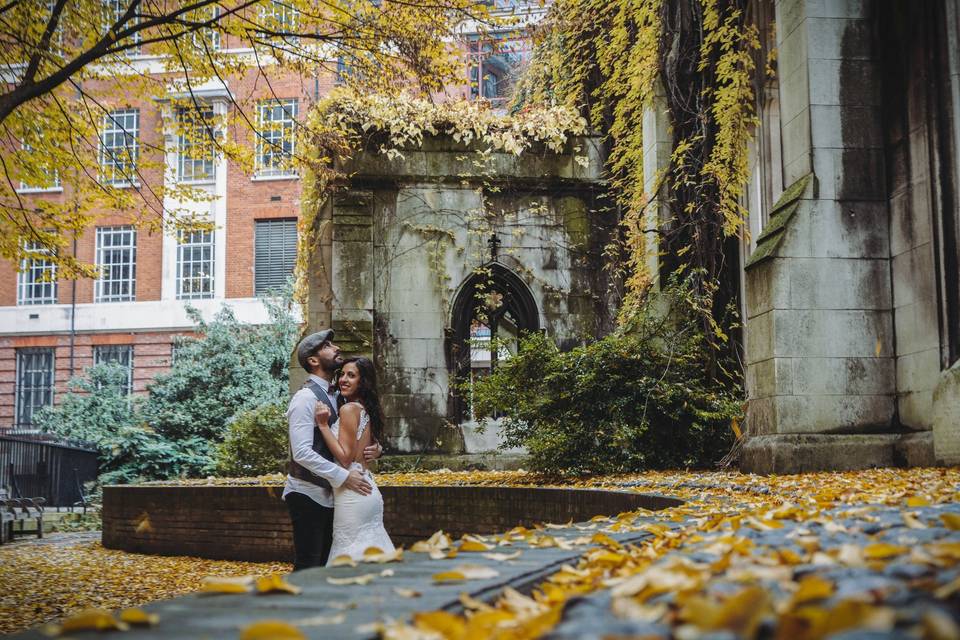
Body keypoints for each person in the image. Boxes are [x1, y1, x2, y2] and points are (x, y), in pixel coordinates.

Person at [283, 329, 382, 571]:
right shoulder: (304, 399)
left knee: (326, 565)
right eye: (327, 345)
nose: (336, 348)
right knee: (308, 566)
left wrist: (377, 448)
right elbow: (302, 453)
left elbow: (356, 429)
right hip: (307, 493)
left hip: (333, 496)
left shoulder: (340, 395)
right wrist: (345, 476)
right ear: (313, 360)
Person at [314, 356, 395, 563]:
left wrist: (323, 426)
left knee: (349, 557)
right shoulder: (364, 410)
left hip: (353, 494)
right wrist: (379, 449)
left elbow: (345, 457)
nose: (343, 379)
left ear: (363, 381)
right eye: (342, 374)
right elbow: (368, 448)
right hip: (366, 489)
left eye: (352, 375)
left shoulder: (349, 409)